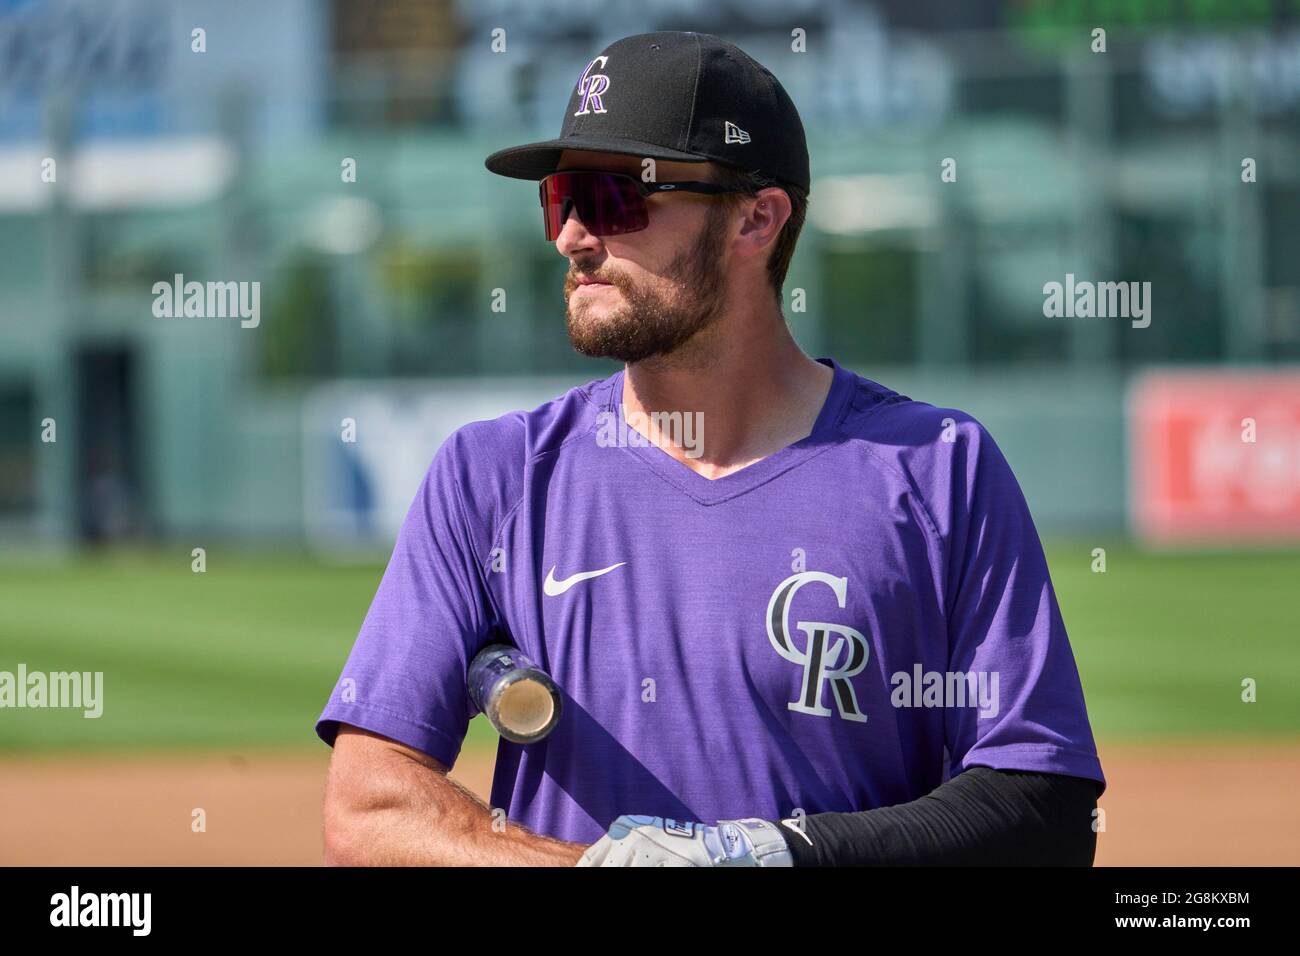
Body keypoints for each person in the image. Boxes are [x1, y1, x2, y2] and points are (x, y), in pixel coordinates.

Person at [317, 31, 1105, 867]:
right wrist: (592, 871)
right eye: (559, 199)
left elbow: (1040, 807)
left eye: (615, 197)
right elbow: (367, 812)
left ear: (757, 218)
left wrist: (776, 855)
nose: (572, 237)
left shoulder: (941, 468)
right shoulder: (493, 476)